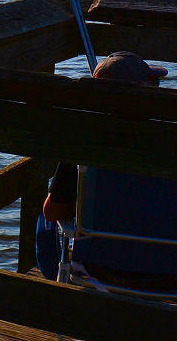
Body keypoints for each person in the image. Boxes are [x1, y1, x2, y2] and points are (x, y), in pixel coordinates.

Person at [42, 51, 167, 222]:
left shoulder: (84, 142)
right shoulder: (168, 139)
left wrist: (86, 207)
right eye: (154, 85)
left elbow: (52, 213)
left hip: (100, 242)